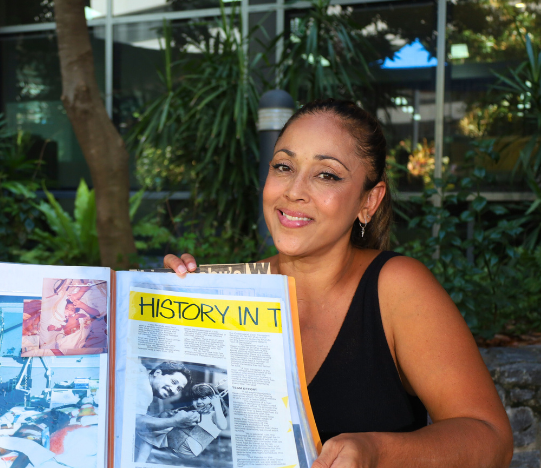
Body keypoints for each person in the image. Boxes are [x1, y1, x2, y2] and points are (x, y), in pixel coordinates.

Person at [164, 99, 513, 468]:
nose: (294, 191)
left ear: (369, 200)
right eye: (284, 166)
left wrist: (377, 453)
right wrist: (162, 300)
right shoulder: (224, 291)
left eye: (326, 174)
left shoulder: (395, 289)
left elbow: (491, 439)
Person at [134, 361, 198, 462]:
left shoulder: (141, 373)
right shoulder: (145, 389)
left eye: (179, 388)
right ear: (157, 373)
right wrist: (175, 421)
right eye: (173, 382)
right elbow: (136, 423)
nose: (174, 390)